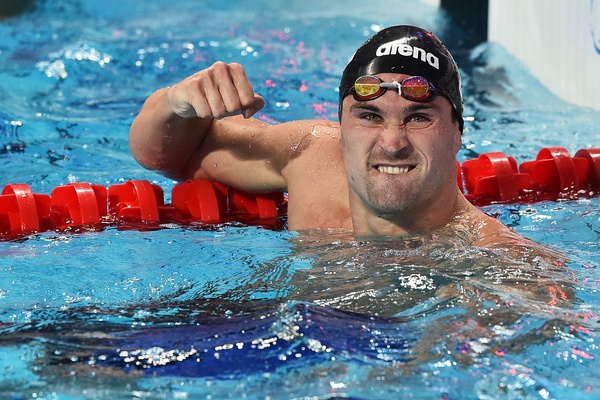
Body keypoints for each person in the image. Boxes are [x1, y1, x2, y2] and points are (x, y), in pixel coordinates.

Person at [128, 25, 556, 254]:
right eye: (370, 116)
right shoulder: (312, 155)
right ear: (341, 125)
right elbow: (165, 155)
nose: (392, 143)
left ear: (458, 133)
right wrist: (176, 102)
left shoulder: (493, 259)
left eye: (418, 117)